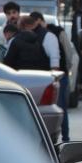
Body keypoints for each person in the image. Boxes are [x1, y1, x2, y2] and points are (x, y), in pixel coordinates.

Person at [30, 12, 69, 142]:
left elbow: (60, 57)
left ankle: (65, 138)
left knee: (59, 107)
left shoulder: (52, 33)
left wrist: (55, 78)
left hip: (56, 77)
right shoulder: (37, 35)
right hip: (51, 77)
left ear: (39, 21)